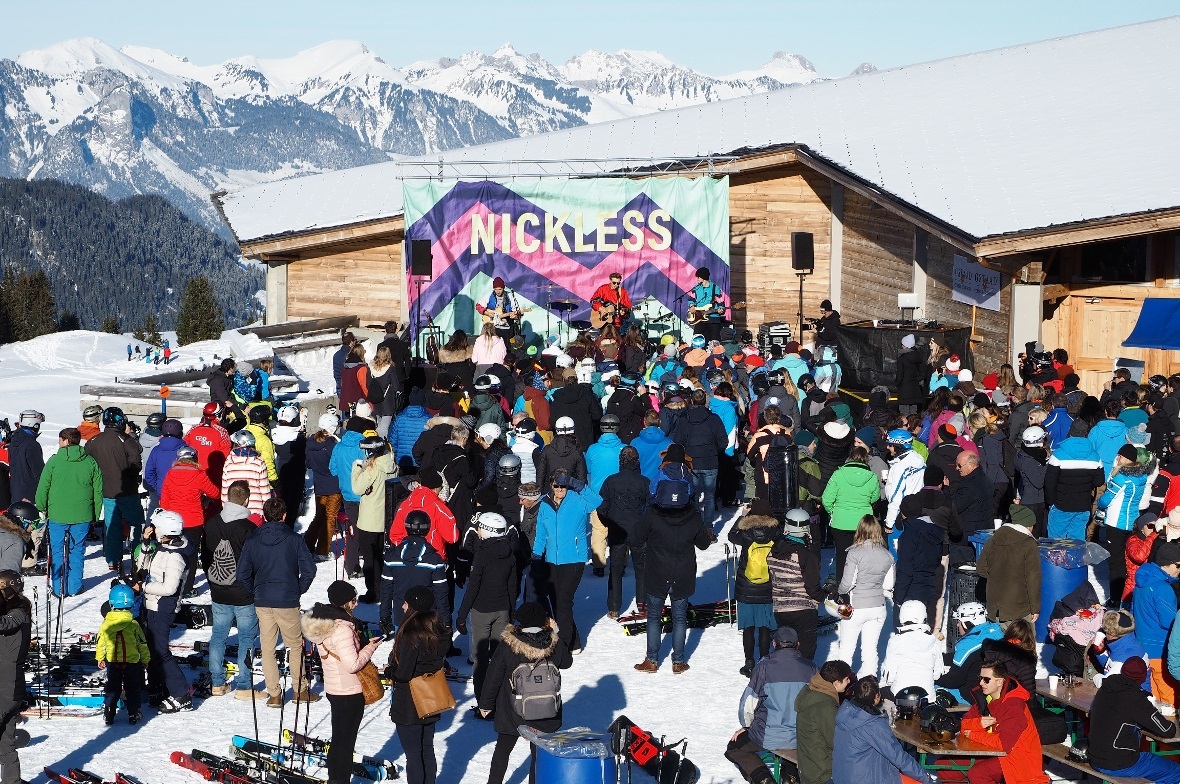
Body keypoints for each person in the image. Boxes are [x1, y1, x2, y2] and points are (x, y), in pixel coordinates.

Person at [237, 497, 319, 708]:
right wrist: (297, 590)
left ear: (264, 516)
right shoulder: (294, 539)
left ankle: (274, 694)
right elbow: (309, 570)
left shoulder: (253, 540)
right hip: (286, 599)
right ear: (284, 516)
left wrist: (255, 592)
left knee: (267, 647)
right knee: (294, 647)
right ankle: (299, 690)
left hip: (264, 600)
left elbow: (242, 573)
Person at [478, 601, 571, 784]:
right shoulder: (553, 642)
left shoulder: (508, 644)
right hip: (545, 710)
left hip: (512, 710)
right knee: (538, 755)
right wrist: (556, 633)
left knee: (502, 750)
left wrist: (485, 704)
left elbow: (493, 676)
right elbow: (566, 662)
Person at [302, 581, 383, 784]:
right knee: (345, 745)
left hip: (335, 689)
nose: (356, 604)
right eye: (353, 600)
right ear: (343, 602)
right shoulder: (342, 629)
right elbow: (352, 664)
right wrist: (370, 648)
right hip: (349, 692)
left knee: (339, 742)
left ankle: (334, 780)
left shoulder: (324, 622)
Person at [633, 476, 712, 674]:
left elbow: (635, 538)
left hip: (657, 571)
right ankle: (678, 662)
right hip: (683, 572)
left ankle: (652, 660)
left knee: (653, 617)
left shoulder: (652, 514)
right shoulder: (693, 515)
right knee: (679, 618)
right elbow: (703, 543)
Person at [726, 626, 819, 784]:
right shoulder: (812, 669)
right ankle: (791, 776)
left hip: (768, 735)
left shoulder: (763, 667)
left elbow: (748, 704)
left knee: (735, 748)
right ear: (798, 644)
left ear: (774, 644)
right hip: (802, 736)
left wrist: (748, 726)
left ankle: (764, 779)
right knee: (792, 746)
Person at [202, 481, 263, 699]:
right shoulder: (249, 529)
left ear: (227, 498)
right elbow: (257, 563)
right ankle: (244, 686)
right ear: (246, 500)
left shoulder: (211, 524)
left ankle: (217, 683)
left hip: (219, 589)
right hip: (244, 593)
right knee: (246, 638)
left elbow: (205, 557)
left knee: (218, 635)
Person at [533, 470, 601, 653]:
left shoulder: (578, 500)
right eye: (557, 485)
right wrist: (536, 555)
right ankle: (575, 642)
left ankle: (562, 646)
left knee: (564, 600)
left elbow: (597, 501)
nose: (560, 489)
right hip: (551, 561)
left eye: (564, 485)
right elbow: (540, 533)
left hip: (574, 558)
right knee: (556, 601)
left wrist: (578, 484)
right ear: (551, 485)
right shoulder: (544, 503)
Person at [387, 586, 448, 784]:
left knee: (413, 755)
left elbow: (403, 674)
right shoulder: (438, 631)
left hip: (410, 703)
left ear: (413, 606)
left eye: (406, 603)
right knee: (427, 750)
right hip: (431, 696)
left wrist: (389, 671)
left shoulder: (411, 635)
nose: (403, 607)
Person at [1085, 656, 1180, 782]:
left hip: (1096, 757)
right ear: (1142, 677)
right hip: (1118, 763)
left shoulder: (1106, 688)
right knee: (1175, 771)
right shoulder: (1134, 698)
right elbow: (1167, 730)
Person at [456, 512, 517, 702]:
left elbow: (473, 587)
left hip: (482, 611)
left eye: (480, 527)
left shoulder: (482, 554)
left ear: (489, 531)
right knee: (500, 656)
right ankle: (499, 698)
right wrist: (510, 611)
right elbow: (513, 586)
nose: (478, 531)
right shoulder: (510, 553)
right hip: (503, 609)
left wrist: (461, 615)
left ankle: (483, 701)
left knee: (480, 659)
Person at [137, 509, 194, 712]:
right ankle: (157, 686)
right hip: (151, 604)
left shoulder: (175, 556)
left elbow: (169, 589)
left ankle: (181, 694)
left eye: (156, 528)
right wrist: (145, 544)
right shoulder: (163, 547)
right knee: (151, 648)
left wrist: (143, 588)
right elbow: (141, 569)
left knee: (160, 651)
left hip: (163, 607)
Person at [34, 427, 102, 597]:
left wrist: (41, 506)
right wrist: (95, 513)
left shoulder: (54, 461)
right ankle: (74, 586)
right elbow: (98, 491)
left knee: (57, 552)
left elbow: (43, 487)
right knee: (77, 551)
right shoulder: (90, 462)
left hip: (57, 514)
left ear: (65, 441)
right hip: (82, 515)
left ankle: (58, 588)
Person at [832, 675, 937, 784]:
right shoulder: (872, 724)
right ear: (877, 696)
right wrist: (926, 778)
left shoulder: (845, 713)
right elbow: (898, 757)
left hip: (843, 776)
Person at [959, 661, 1049, 784]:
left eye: (986, 679)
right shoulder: (985, 698)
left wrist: (974, 734)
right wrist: (978, 724)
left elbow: (1003, 744)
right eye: (980, 678)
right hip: (993, 750)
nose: (981, 683)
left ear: (1000, 681)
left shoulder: (1014, 706)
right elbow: (964, 724)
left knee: (978, 774)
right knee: (945, 766)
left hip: (1018, 758)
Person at [835, 515, 895, 678]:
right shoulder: (887, 555)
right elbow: (888, 585)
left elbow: (847, 583)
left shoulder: (854, 553)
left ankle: (843, 682)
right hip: (878, 607)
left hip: (855, 607)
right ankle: (870, 682)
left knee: (846, 648)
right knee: (870, 649)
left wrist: (839, 592)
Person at [86, 407, 144, 572]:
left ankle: (113, 558)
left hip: (106, 491)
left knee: (112, 525)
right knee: (136, 524)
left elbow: (89, 463)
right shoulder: (125, 440)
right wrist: (131, 476)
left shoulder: (93, 441)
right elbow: (136, 464)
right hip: (127, 491)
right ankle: (138, 555)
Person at [598, 446, 649, 620]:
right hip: (638, 530)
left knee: (616, 569)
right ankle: (643, 606)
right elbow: (650, 508)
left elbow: (601, 508)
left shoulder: (610, 481)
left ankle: (614, 607)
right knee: (641, 570)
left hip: (618, 530)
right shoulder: (644, 482)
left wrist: (610, 524)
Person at [379, 510, 450, 635]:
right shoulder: (434, 560)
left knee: (402, 651)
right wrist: (445, 620)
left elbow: (386, 591)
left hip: (401, 616)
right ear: (427, 529)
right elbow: (441, 593)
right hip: (427, 618)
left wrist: (384, 617)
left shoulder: (392, 558)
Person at [768, 509, 825, 659]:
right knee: (805, 652)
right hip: (804, 610)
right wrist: (823, 595)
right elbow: (812, 588)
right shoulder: (806, 555)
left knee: (785, 650)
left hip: (780, 608)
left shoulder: (773, 551)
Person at [1098, 444, 1151, 605]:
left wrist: (1100, 503)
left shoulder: (1121, 478)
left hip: (1116, 523)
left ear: (1125, 458)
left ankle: (1115, 598)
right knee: (1129, 561)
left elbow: (1106, 499)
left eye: (1120, 456)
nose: (1117, 458)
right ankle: (1129, 593)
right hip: (1132, 521)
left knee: (1116, 563)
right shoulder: (1141, 476)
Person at [821, 447, 880, 587]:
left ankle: (843, 587)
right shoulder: (871, 477)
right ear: (866, 459)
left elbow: (826, 499)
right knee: (863, 556)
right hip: (863, 524)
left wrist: (833, 512)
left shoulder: (838, 474)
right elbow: (875, 497)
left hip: (840, 522)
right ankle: (861, 586)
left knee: (842, 557)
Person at [1133, 541, 1180, 710]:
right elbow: (1171, 622)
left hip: (1143, 649)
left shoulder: (1141, 582)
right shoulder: (1162, 588)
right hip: (1161, 650)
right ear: (1172, 563)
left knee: (1151, 703)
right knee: (1169, 703)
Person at [976, 504, 1041, 624]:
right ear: (1028, 525)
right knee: (1021, 642)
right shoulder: (1029, 545)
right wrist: (1035, 608)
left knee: (998, 642)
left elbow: (981, 569)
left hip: (994, 608)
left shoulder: (991, 541)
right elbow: (1033, 579)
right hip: (1019, 610)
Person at [672, 388, 729, 524]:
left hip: (693, 461)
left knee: (693, 495)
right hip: (708, 461)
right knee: (709, 496)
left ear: (692, 401)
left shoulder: (684, 419)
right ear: (705, 401)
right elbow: (723, 441)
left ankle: (696, 526)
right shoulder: (713, 419)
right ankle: (707, 527)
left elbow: (678, 441)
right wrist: (713, 451)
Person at [352, 435, 397, 603]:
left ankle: (373, 591)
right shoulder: (391, 465)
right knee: (382, 556)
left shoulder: (373, 469)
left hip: (369, 519)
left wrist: (357, 468)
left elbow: (357, 488)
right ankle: (384, 589)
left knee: (370, 559)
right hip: (385, 518)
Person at [794, 659, 854, 784]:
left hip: (810, 765)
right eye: (847, 679)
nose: (849, 681)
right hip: (822, 774)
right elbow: (838, 742)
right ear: (836, 683)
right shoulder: (825, 706)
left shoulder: (811, 691)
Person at [96, 583, 149, 724]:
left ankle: (109, 712)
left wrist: (100, 657)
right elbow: (142, 644)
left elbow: (100, 642)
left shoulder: (106, 623)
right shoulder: (133, 624)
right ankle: (133, 713)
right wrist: (145, 659)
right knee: (133, 688)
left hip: (113, 662)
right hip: (132, 662)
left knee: (112, 687)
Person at [880, 599, 946, 700]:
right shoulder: (934, 641)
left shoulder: (896, 641)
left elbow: (889, 677)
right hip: (927, 697)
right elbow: (937, 674)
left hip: (901, 696)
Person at [0, 571, 30, 784]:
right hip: (7, 685)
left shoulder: (20, 611)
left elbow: (4, 623)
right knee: (5, 741)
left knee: (6, 741)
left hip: (8, 687)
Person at [305, 413, 342, 558]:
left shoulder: (311, 442)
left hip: (319, 485)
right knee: (330, 518)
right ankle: (322, 551)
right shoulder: (333, 445)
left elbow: (308, 464)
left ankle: (307, 545)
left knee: (319, 516)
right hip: (333, 486)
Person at [947, 452, 993, 564]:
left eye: (959, 465)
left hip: (966, 538)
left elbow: (954, 506)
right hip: (980, 534)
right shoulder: (985, 479)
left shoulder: (970, 486)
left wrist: (948, 490)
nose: (957, 468)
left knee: (961, 573)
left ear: (971, 465)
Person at [221, 429, 272, 518]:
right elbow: (265, 491)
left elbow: (225, 490)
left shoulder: (228, 462)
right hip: (255, 512)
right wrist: (266, 513)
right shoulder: (259, 462)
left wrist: (225, 508)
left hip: (233, 511)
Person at [882, 429, 926, 531]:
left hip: (902, 515)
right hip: (918, 510)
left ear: (899, 446)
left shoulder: (900, 467)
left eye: (890, 445)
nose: (887, 447)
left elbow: (896, 497)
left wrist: (889, 523)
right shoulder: (919, 459)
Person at [186, 402, 233, 487]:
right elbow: (226, 455)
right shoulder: (222, 432)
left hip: (194, 473)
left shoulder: (193, 429)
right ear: (218, 415)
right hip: (213, 475)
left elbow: (185, 448)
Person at [8, 411, 45, 505]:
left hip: (16, 493)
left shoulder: (14, 442)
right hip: (29, 496)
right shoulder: (32, 445)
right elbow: (39, 473)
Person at [476, 276, 524, 341]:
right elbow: (478, 306)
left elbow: (517, 313)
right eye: (496, 289)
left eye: (500, 289)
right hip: (492, 327)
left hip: (507, 328)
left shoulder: (510, 296)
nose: (498, 291)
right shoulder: (489, 295)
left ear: (503, 288)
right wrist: (487, 313)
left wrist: (515, 316)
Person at [893, 334, 927, 416]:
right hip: (915, 390)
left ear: (905, 345)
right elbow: (923, 373)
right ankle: (913, 428)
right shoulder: (918, 357)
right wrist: (915, 380)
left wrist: (896, 383)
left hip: (904, 391)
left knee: (904, 414)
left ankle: (905, 429)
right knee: (913, 415)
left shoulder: (902, 359)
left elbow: (900, 376)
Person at [689, 267, 725, 342]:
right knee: (697, 340)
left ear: (703, 277)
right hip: (699, 318)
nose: (697, 279)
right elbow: (691, 299)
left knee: (714, 342)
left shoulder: (715, 288)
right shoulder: (696, 288)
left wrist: (721, 309)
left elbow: (721, 303)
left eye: (698, 277)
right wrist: (691, 306)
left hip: (713, 318)